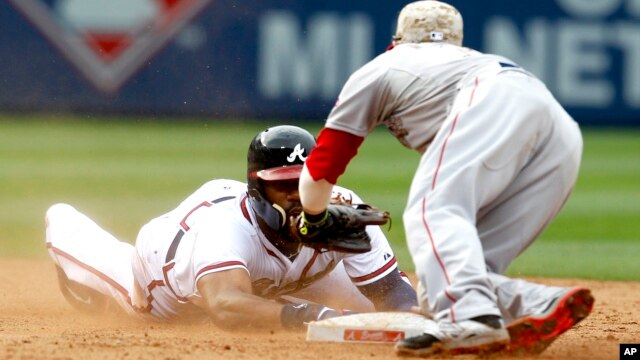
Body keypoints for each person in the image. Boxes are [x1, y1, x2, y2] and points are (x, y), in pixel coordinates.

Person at [294, 0, 593, 356]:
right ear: (455, 40)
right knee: (456, 273)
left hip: (490, 100)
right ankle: (536, 302)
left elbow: (324, 162)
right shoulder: (466, 61)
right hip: (560, 130)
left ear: (398, 38)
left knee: (432, 211)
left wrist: (313, 217)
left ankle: (472, 322)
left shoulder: (383, 67)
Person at [45, 125, 418, 330]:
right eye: (282, 185)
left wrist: (416, 320)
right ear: (258, 188)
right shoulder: (225, 229)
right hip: (163, 276)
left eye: (303, 182)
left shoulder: (344, 213)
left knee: (363, 310)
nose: (296, 195)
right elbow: (225, 307)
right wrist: (310, 315)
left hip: (278, 274)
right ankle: (62, 228)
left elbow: (394, 295)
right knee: (128, 287)